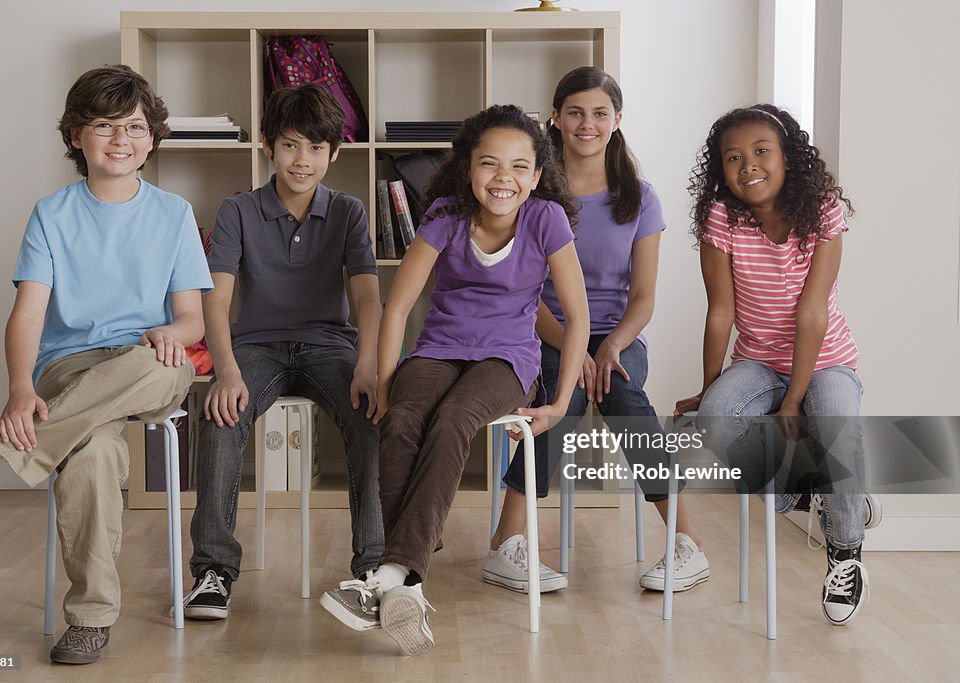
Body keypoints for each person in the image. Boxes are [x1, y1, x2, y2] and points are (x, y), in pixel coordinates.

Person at [0, 65, 212, 663]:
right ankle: (90, 620)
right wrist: (17, 388)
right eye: (104, 126)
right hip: (72, 368)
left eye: (134, 126)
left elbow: (192, 321)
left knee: (161, 367)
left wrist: (170, 330)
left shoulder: (174, 214)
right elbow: (29, 317)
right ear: (75, 137)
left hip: (148, 361)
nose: (120, 139)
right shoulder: (52, 214)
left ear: (153, 137)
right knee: (93, 455)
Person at [321, 104, 590, 655]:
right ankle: (408, 586)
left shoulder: (546, 220)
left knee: (452, 423)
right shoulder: (445, 213)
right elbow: (398, 309)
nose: (503, 178)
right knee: (399, 421)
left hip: (509, 358)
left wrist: (560, 403)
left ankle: (392, 577)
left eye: (519, 167)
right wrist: (384, 378)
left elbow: (578, 318)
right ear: (468, 167)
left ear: (537, 175)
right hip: (440, 348)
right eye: (490, 163)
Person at [485, 66, 710, 595]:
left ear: (617, 120)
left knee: (626, 398)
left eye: (600, 113)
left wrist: (607, 347)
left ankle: (687, 543)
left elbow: (644, 297)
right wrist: (571, 347)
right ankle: (506, 545)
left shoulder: (641, 197)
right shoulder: (533, 191)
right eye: (576, 113)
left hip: (616, 336)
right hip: (542, 332)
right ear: (556, 119)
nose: (588, 124)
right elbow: (525, 290)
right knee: (552, 406)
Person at [183, 83, 384, 620]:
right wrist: (225, 371)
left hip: (328, 346)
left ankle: (374, 569)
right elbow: (217, 298)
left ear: (335, 153)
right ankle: (213, 572)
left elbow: (367, 295)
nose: (304, 160)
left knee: (371, 415)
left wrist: (368, 365)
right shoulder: (238, 211)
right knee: (220, 417)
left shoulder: (349, 212)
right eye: (292, 145)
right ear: (268, 145)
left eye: (317, 148)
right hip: (257, 348)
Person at [676, 103, 871, 625]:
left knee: (836, 426)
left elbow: (812, 312)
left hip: (826, 357)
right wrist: (707, 388)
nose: (748, 166)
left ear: (789, 157)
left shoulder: (822, 209)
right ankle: (799, 494)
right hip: (759, 360)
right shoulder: (722, 217)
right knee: (716, 418)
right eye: (733, 157)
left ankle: (846, 549)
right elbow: (721, 312)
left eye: (761, 151)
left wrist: (792, 400)